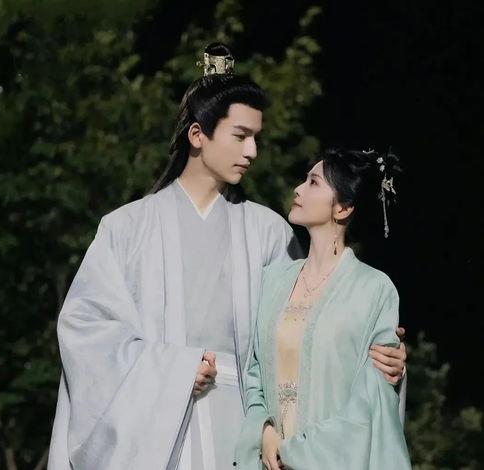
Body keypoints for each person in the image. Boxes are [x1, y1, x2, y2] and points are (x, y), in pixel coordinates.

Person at [47, 43, 406, 470]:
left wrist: (379, 351)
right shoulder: (126, 228)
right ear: (197, 135)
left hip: (244, 431)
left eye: (256, 137)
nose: (252, 151)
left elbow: (306, 332)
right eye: (240, 136)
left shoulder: (268, 231)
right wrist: (174, 370)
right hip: (154, 433)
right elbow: (86, 331)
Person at [235, 149, 411, 470]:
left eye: (313, 183)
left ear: (343, 208)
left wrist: (295, 451)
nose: (298, 189)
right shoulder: (272, 280)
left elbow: (369, 402)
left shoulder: (373, 289)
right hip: (269, 459)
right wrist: (265, 431)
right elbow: (253, 369)